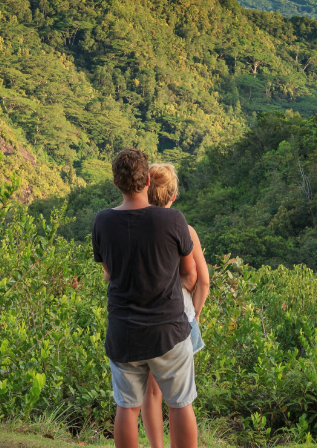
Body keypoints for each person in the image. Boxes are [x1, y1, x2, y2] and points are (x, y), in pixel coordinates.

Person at [92, 149, 198, 448]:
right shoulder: (173, 219)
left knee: (127, 407)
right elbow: (189, 274)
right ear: (147, 180)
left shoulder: (103, 221)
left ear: (116, 183)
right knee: (180, 404)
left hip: (123, 330)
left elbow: (109, 274)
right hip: (169, 330)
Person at [141, 163, 210, 448]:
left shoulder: (135, 227)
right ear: (174, 195)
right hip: (182, 320)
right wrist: (195, 314)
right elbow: (203, 281)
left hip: (146, 319)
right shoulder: (186, 230)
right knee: (180, 399)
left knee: (151, 393)